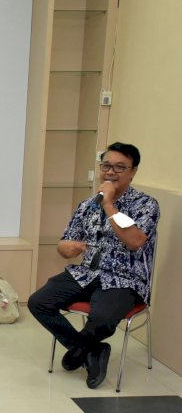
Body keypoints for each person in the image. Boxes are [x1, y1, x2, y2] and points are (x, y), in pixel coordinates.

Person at [28, 142, 159, 389]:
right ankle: (92, 351)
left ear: (133, 172)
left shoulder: (146, 205)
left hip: (126, 279)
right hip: (86, 273)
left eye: (120, 167)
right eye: (106, 165)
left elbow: (134, 241)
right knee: (39, 302)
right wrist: (69, 248)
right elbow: (63, 245)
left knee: (102, 318)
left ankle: (81, 349)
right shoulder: (87, 205)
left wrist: (109, 204)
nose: (111, 172)